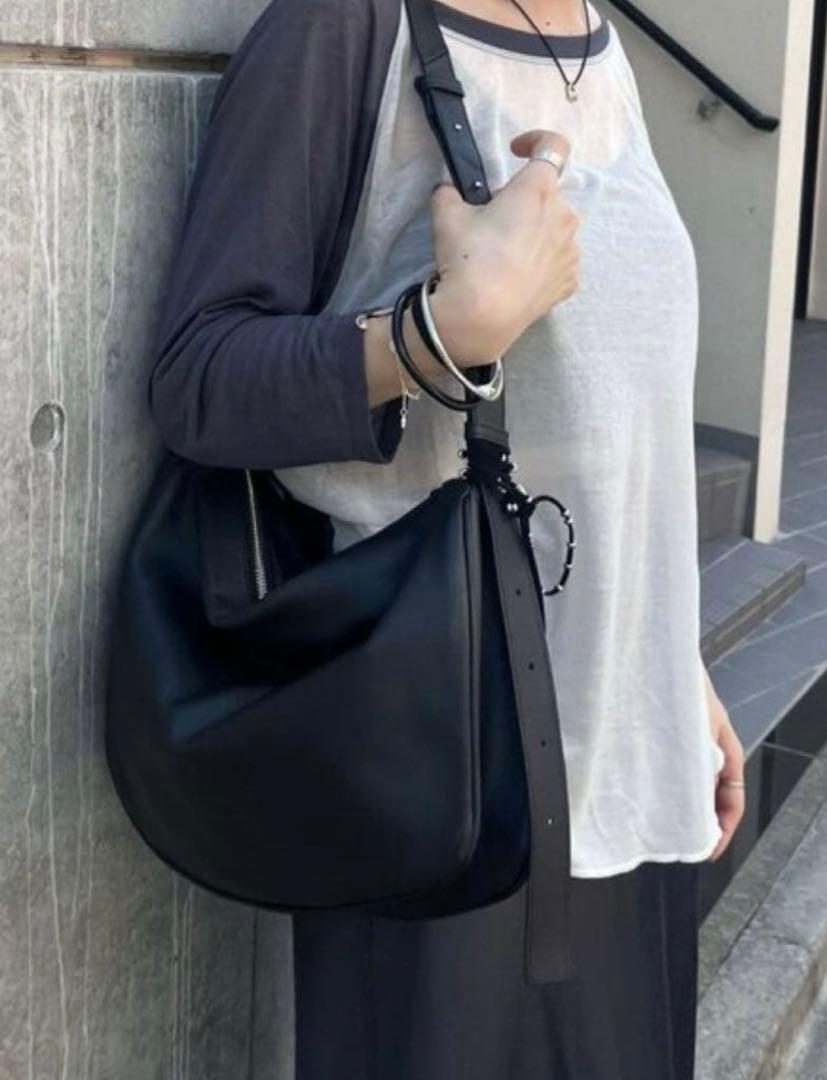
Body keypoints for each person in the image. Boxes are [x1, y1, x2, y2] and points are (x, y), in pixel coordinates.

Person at [148, 0, 747, 1075]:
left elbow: (611, 421)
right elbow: (200, 382)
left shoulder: (599, 44)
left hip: (635, 768)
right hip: (451, 779)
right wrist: (442, 333)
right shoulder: (344, 32)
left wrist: (674, 663)